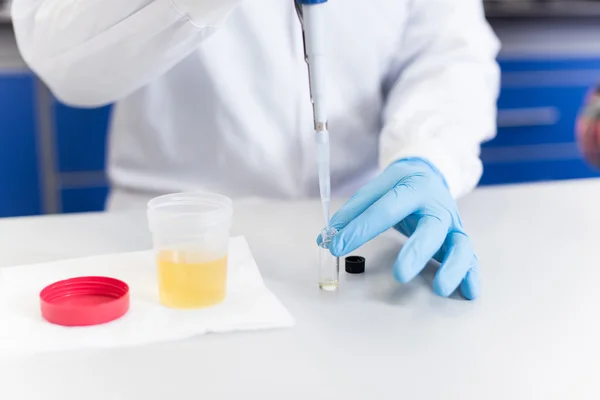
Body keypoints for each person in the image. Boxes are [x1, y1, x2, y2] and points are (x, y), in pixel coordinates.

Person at [12, 0, 501, 300]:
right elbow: (62, 61)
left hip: (366, 233)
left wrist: (427, 153)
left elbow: (448, 52)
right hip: (174, 248)